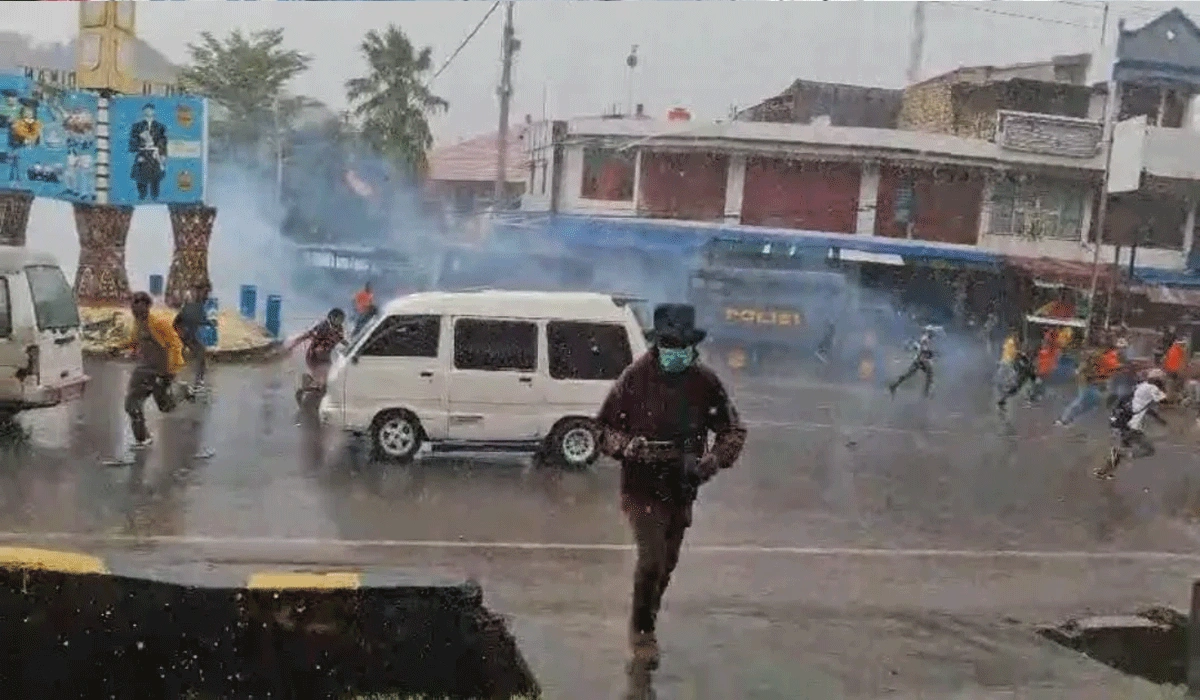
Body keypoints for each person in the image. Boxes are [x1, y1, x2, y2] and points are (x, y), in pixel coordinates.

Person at [595, 303, 746, 668]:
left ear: (691, 346)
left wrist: (712, 461)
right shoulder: (634, 378)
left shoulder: (705, 382)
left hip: (682, 487)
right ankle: (642, 631)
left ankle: (649, 613)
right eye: (668, 343)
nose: (674, 351)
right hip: (641, 487)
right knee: (651, 560)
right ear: (657, 343)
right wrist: (626, 446)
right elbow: (603, 430)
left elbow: (732, 431)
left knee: (666, 565)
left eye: (681, 345)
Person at [116, 292, 185, 449]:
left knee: (166, 406)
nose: (134, 309)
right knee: (132, 404)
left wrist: (171, 371)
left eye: (138, 306)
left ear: (147, 306)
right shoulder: (138, 323)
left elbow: (175, 345)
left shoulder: (159, 323)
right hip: (144, 371)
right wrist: (122, 348)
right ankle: (143, 439)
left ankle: (182, 392)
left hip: (162, 370)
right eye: (132, 305)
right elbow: (135, 340)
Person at [1096, 368, 1169, 479]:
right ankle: (1124, 454)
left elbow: (1143, 407)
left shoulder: (1141, 386)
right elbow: (1166, 402)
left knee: (1121, 448)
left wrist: (1158, 419)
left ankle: (1103, 472)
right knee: (1148, 449)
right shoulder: (1152, 388)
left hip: (1123, 423)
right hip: (1131, 426)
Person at [1057, 337, 1121, 427]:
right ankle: (1065, 419)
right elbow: (1092, 365)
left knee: (1088, 402)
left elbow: (1108, 367)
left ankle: (1068, 418)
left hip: (1095, 381)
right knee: (1083, 400)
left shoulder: (1103, 356)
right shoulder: (1102, 356)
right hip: (1090, 381)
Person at [285, 308, 346, 392]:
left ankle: (318, 388)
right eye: (335, 319)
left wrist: (349, 345)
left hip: (326, 356)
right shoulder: (323, 326)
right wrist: (293, 345)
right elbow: (307, 335)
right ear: (330, 317)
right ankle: (309, 383)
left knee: (326, 371)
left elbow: (341, 339)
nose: (337, 322)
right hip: (314, 355)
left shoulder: (339, 329)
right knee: (320, 371)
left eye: (339, 320)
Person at [172, 282, 212, 391]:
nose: (207, 296)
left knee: (200, 355)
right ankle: (196, 380)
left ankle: (198, 380)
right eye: (205, 293)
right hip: (186, 336)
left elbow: (201, 321)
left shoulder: (197, 307)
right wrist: (180, 332)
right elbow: (176, 322)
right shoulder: (192, 307)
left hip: (190, 336)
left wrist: (208, 323)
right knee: (198, 355)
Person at [128, 102, 167, 201]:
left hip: (154, 154)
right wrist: (141, 145)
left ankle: (155, 196)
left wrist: (161, 153)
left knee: (156, 176)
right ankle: (142, 195)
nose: (149, 112)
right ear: (143, 112)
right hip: (142, 153)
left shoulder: (160, 127)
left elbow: (163, 140)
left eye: (151, 110)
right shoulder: (137, 126)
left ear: (154, 112)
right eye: (147, 110)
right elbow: (132, 140)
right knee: (140, 176)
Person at [888, 328, 935, 398]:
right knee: (910, 374)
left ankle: (927, 391)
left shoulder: (925, 341)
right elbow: (923, 352)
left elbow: (926, 352)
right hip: (920, 361)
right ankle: (894, 386)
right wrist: (927, 357)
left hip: (921, 361)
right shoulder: (924, 341)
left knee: (910, 374)